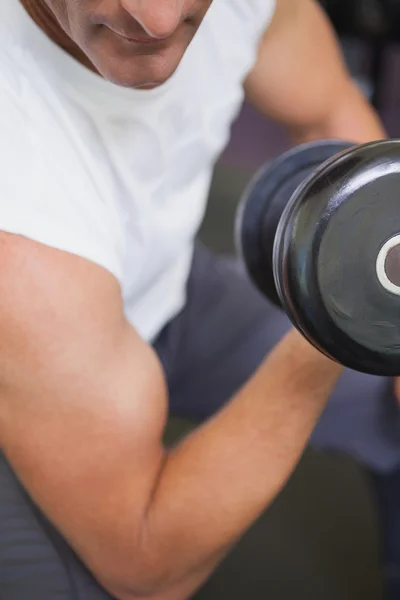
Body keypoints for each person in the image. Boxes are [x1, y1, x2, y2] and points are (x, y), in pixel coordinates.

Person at [0, 0, 398, 598]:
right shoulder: (19, 215)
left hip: (166, 285)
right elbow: (146, 559)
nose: (158, 21)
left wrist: (370, 248)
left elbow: (328, 111)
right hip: (33, 360)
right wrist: (344, 313)